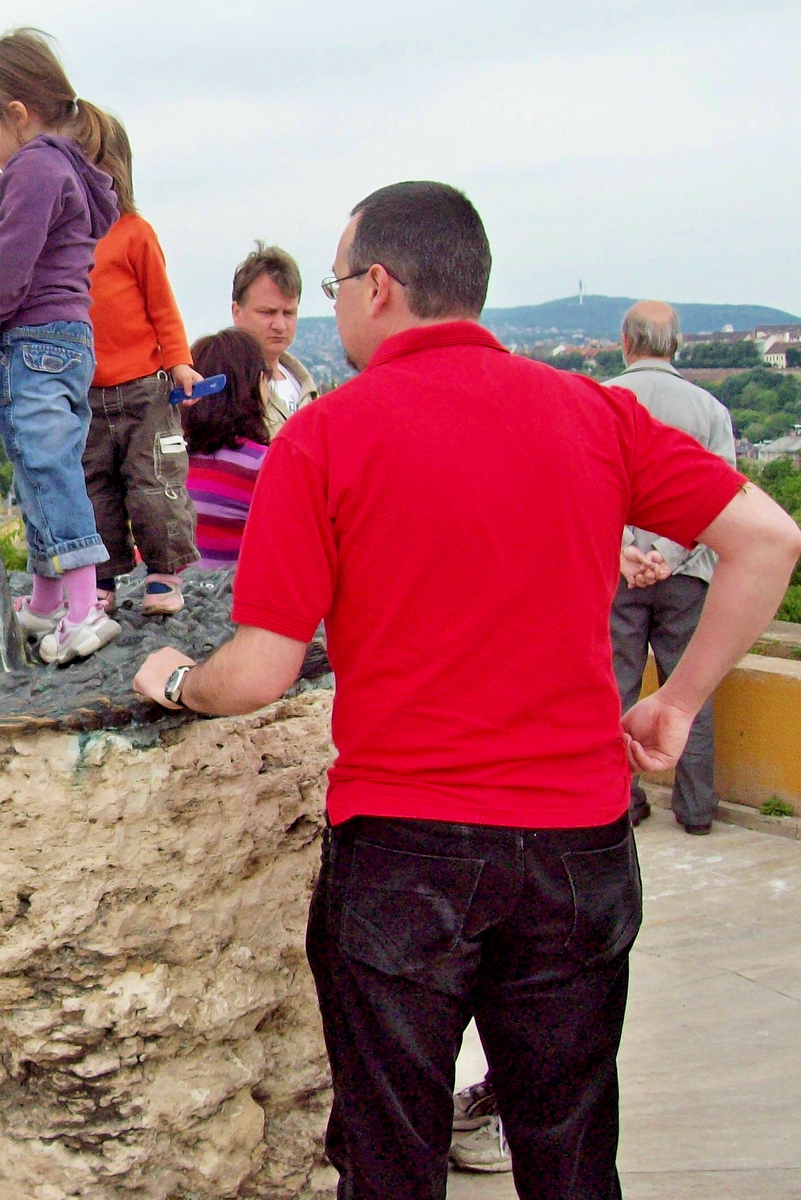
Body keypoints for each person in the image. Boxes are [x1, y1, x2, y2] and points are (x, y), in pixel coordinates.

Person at [132, 181, 801, 1198]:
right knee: (570, 1155)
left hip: (404, 848)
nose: (337, 304)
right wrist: (680, 699)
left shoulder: (323, 436)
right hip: (576, 845)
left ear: (381, 287)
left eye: (339, 281)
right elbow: (766, 538)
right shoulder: (592, 412)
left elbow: (260, 669)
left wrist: (176, 680)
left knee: (390, 1162)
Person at [0, 28, 122, 665]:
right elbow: (40, 241)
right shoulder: (59, 167)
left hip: (35, 340)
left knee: (49, 471)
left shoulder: (37, 164)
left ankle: (81, 609)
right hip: (62, 340)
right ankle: (47, 600)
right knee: (39, 469)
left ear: (16, 113)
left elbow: (13, 264)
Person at [608, 301, 738, 834]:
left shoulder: (606, 401)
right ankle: (697, 809)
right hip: (687, 574)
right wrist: (670, 555)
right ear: (677, 345)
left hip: (617, 574)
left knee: (616, 688)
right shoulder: (710, 410)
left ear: (625, 342)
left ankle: (619, 802)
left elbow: (589, 491)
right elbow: (726, 503)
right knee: (690, 692)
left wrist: (628, 551)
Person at [81, 115, 202, 614]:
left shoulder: (134, 233)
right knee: (94, 488)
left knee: (154, 483)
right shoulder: (66, 241)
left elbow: (161, 305)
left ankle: (164, 572)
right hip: (86, 393)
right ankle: (102, 579)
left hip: (144, 389)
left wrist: (179, 362)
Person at [181, 328, 271, 569]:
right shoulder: (264, 466)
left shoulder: (172, 462)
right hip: (228, 598)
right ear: (257, 383)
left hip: (173, 597)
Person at [230, 242, 320, 436]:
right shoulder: (226, 391)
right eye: (267, 312)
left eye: (288, 313)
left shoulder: (306, 387)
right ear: (237, 312)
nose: (279, 325)